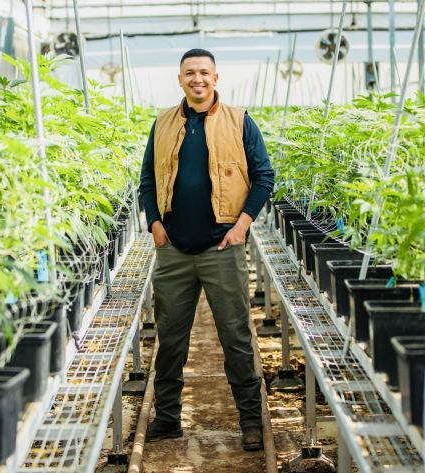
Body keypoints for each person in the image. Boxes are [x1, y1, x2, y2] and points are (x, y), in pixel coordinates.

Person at [139, 48, 275, 452]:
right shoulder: (163, 122)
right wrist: (155, 224)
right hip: (174, 249)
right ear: (179, 79)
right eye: (189, 73)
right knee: (171, 338)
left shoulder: (240, 120)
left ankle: (251, 422)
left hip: (222, 246)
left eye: (204, 73)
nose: (197, 79)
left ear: (216, 78)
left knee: (235, 336)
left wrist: (242, 226)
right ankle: (166, 419)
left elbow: (264, 176)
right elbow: (147, 177)